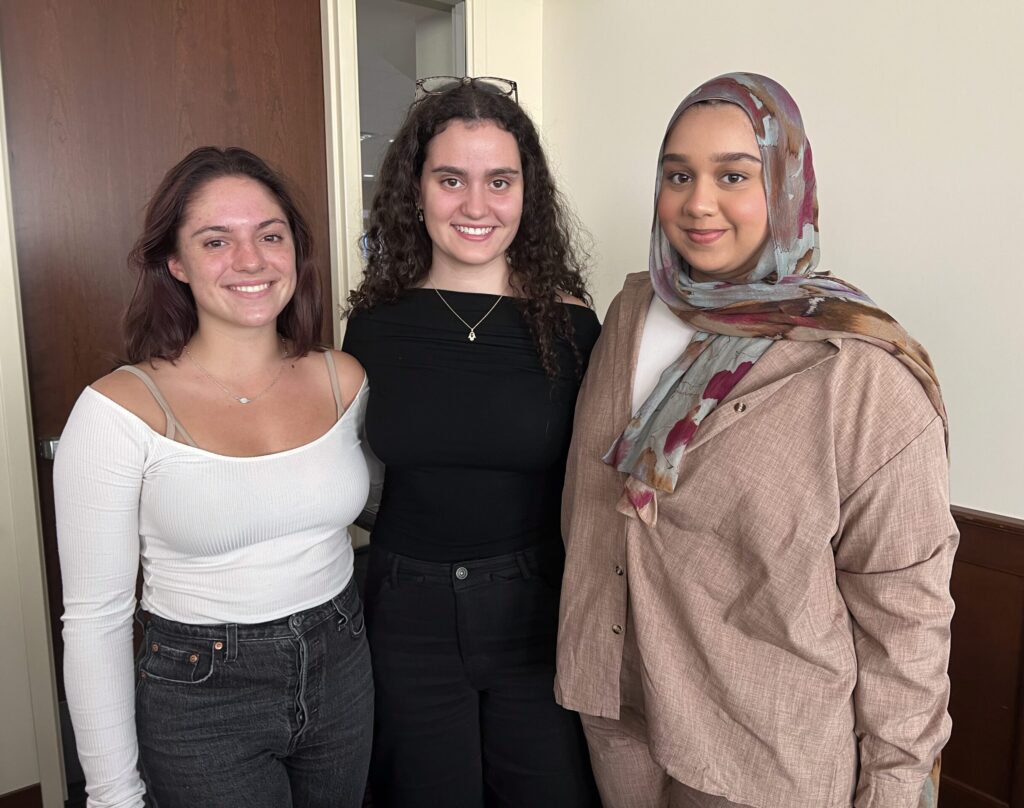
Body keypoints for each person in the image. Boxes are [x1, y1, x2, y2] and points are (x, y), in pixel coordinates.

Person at [555, 73, 957, 808]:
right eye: (678, 174)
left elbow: (907, 613)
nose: (697, 202)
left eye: (733, 175)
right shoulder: (630, 311)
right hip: (616, 700)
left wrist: (895, 787)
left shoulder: (861, 374)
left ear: (786, 184)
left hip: (760, 744)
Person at [54, 147, 376, 808]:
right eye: (216, 241)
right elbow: (96, 619)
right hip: (201, 690)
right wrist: (112, 794)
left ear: (294, 250)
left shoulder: (344, 379)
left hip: (343, 662)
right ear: (176, 262)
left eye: (269, 235)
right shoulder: (117, 410)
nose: (251, 260)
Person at [342, 76, 601, 808]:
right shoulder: (374, 324)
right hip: (406, 611)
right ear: (416, 190)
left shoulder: (572, 325)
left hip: (537, 613)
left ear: (528, 193)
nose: (477, 206)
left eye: (500, 181)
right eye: (451, 179)